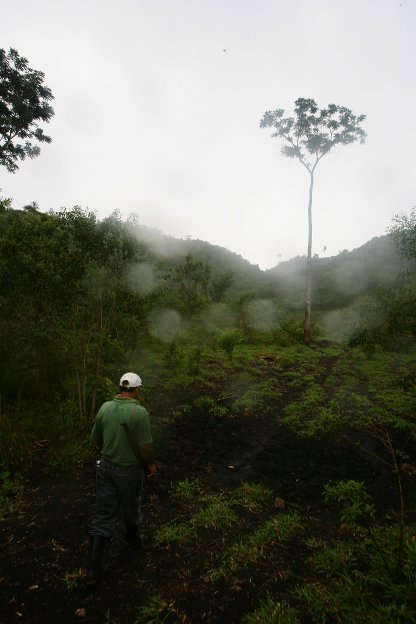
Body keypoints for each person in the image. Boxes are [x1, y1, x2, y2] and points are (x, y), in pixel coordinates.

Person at [87, 372, 156, 585]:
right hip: (129, 471)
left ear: (120, 387)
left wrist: (109, 454)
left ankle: (93, 569)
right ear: (137, 390)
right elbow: (145, 447)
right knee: (131, 504)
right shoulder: (140, 413)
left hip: (105, 468)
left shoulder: (105, 407)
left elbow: (96, 439)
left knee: (104, 512)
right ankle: (133, 539)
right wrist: (151, 465)